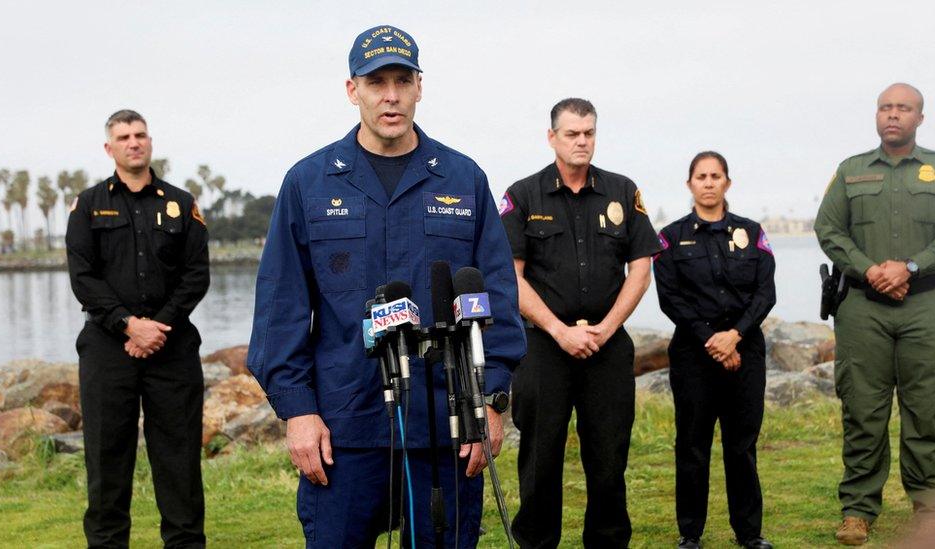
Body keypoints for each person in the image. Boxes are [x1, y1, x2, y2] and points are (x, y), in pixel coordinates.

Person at [247, 25, 525, 548]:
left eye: (402, 80)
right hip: (343, 429)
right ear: (353, 90)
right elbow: (281, 309)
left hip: (444, 426)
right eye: (377, 82)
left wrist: (490, 402)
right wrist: (297, 410)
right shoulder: (309, 183)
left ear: (421, 86)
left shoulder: (464, 181)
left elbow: (498, 302)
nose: (390, 96)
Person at [500, 98, 661, 548]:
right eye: (572, 133)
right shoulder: (523, 195)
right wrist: (558, 330)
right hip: (543, 349)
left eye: (589, 132)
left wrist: (606, 329)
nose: (582, 141)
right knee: (539, 461)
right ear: (552, 137)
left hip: (606, 349)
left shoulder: (622, 191)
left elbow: (642, 269)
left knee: (609, 462)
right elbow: (509, 279)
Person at [815, 83, 935, 546]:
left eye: (904, 108)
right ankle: (858, 510)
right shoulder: (851, 171)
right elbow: (828, 227)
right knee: (863, 408)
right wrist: (869, 270)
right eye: (885, 107)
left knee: (927, 407)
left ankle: (930, 508)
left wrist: (911, 267)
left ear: (920, 118)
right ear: (876, 115)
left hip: (929, 303)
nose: (893, 115)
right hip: (864, 307)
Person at [66, 109, 210, 548]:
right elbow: (83, 277)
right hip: (108, 350)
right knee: (107, 463)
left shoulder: (182, 203)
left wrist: (157, 327)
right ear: (109, 148)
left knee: (180, 462)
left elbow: (195, 275)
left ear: (150, 142)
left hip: (172, 348)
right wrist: (129, 326)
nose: (134, 142)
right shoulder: (88, 206)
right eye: (124, 136)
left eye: (141, 134)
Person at [653, 151, 776, 549]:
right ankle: (690, 533)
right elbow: (671, 299)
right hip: (693, 355)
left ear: (728, 182)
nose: (708, 182)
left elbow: (765, 292)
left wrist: (735, 336)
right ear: (689, 184)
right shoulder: (669, 238)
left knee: (741, 444)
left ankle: (749, 533)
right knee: (692, 445)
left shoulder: (753, 231)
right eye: (701, 176)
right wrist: (713, 339)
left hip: (745, 352)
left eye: (716, 175)